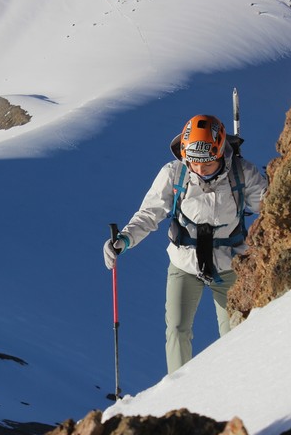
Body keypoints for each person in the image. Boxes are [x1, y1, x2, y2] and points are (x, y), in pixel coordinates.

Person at [103, 114, 267, 374]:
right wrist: (124, 239)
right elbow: (150, 213)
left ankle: (237, 386)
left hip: (229, 263)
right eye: (194, 163)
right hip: (184, 264)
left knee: (235, 332)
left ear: (221, 152)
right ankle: (178, 393)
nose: (200, 170)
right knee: (177, 330)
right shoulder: (174, 173)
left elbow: (268, 205)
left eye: (207, 164)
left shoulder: (242, 172)